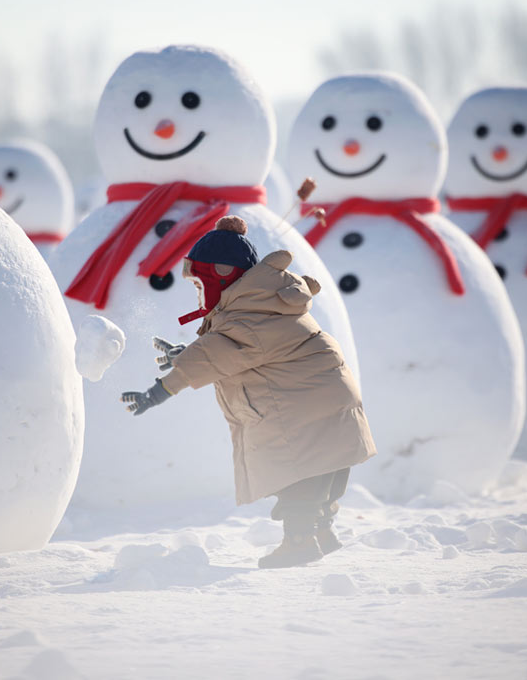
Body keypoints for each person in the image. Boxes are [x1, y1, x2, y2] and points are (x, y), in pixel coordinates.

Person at [121, 216, 375, 568]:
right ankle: (321, 531)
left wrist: (157, 392)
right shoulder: (266, 302)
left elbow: (219, 352)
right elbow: (231, 349)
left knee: (295, 476)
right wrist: (187, 353)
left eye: (200, 284)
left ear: (220, 277)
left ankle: (300, 542)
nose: (198, 294)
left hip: (303, 410)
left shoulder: (247, 317)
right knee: (320, 473)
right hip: (327, 403)